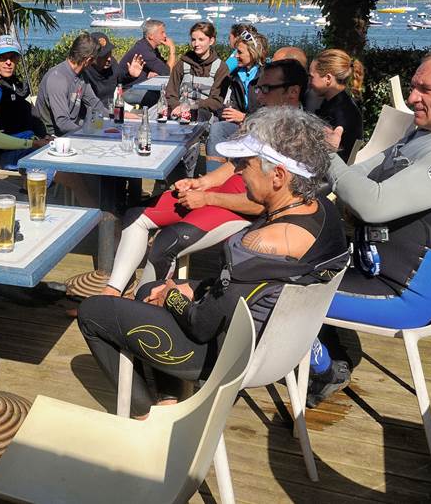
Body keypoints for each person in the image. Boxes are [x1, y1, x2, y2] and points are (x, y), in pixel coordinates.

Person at [78, 107, 349, 418]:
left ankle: (144, 415)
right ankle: (168, 399)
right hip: (276, 340)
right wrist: (188, 289)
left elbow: (202, 324)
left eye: (246, 164)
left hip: (229, 355)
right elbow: (240, 291)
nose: (238, 172)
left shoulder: (263, 244)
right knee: (150, 289)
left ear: (278, 176)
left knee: (93, 313)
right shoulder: (322, 213)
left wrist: (173, 296)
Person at [307, 47, 431, 406]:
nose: (412, 98)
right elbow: (362, 177)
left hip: (400, 294)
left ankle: (322, 369)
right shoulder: (426, 134)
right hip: (369, 267)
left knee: (273, 289)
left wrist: (326, 158)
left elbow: (371, 202)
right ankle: (324, 351)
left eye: (424, 89)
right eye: (413, 87)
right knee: (282, 260)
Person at [102, 59, 310, 296]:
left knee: (166, 242)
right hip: (217, 195)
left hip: (242, 210)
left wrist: (208, 199)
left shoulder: (298, 139)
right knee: (136, 215)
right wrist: (200, 183)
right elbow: (235, 165)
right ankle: (112, 291)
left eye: (266, 89)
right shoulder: (263, 121)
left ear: (293, 92)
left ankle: (139, 306)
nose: (259, 96)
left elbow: (265, 204)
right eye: (257, 88)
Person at [0, 34, 51, 169]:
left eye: (13, 57)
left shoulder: (15, 84)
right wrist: (33, 144)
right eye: (2, 57)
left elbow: (32, 118)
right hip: (7, 154)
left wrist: (46, 138)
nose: (8, 62)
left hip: (30, 142)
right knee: (56, 162)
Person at [205, 30, 267, 171]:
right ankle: (213, 175)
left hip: (262, 128)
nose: (236, 56)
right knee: (217, 128)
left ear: (252, 53)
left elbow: (271, 113)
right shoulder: (237, 75)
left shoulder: (266, 76)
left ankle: (237, 174)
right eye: (235, 52)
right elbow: (234, 103)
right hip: (243, 124)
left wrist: (245, 117)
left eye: (239, 53)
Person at [34, 33, 107, 135]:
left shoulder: (82, 76)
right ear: (88, 60)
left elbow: (95, 104)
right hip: (50, 137)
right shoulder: (58, 78)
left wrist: (120, 115)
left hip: (71, 129)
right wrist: (87, 131)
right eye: (94, 60)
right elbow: (62, 123)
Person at [308, 49, 364, 162]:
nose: (309, 82)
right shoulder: (342, 103)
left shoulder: (338, 112)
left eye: (311, 77)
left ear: (328, 79)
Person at [164, 21, 227, 120]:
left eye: (201, 39)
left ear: (211, 41)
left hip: (205, 112)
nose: (196, 44)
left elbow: (216, 101)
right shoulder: (182, 63)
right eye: (193, 40)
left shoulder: (221, 67)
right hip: (178, 110)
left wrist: (191, 106)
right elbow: (171, 92)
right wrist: (176, 106)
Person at [117, 19, 178, 108]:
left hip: (141, 87)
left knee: (170, 94)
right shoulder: (144, 50)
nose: (165, 36)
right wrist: (172, 49)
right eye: (162, 33)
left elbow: (166, 68)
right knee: (163, 99)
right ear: (151, 36)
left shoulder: (149, 48)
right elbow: (167, 72)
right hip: (128, 91)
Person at [84, 32, 119, 101]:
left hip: (111, 107)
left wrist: (130, 76)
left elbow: (122, 84)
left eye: (109, 53)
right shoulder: (85, 72)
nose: (109, 59)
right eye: (104, 56)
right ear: (92, 57)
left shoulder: (113, 65)